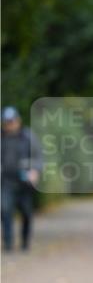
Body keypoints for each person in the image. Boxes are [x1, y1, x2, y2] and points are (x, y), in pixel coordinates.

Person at [1, 107, 41, 252]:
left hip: (24, 182)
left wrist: (35, 171)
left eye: (11, 121)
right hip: (6, 181)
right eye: (6, 122)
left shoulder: (28, 136)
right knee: (5, 210)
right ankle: (8, 243)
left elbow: (39, 156)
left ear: (18, 120)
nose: (9, 125)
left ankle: (25, 242)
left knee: (26, 213)